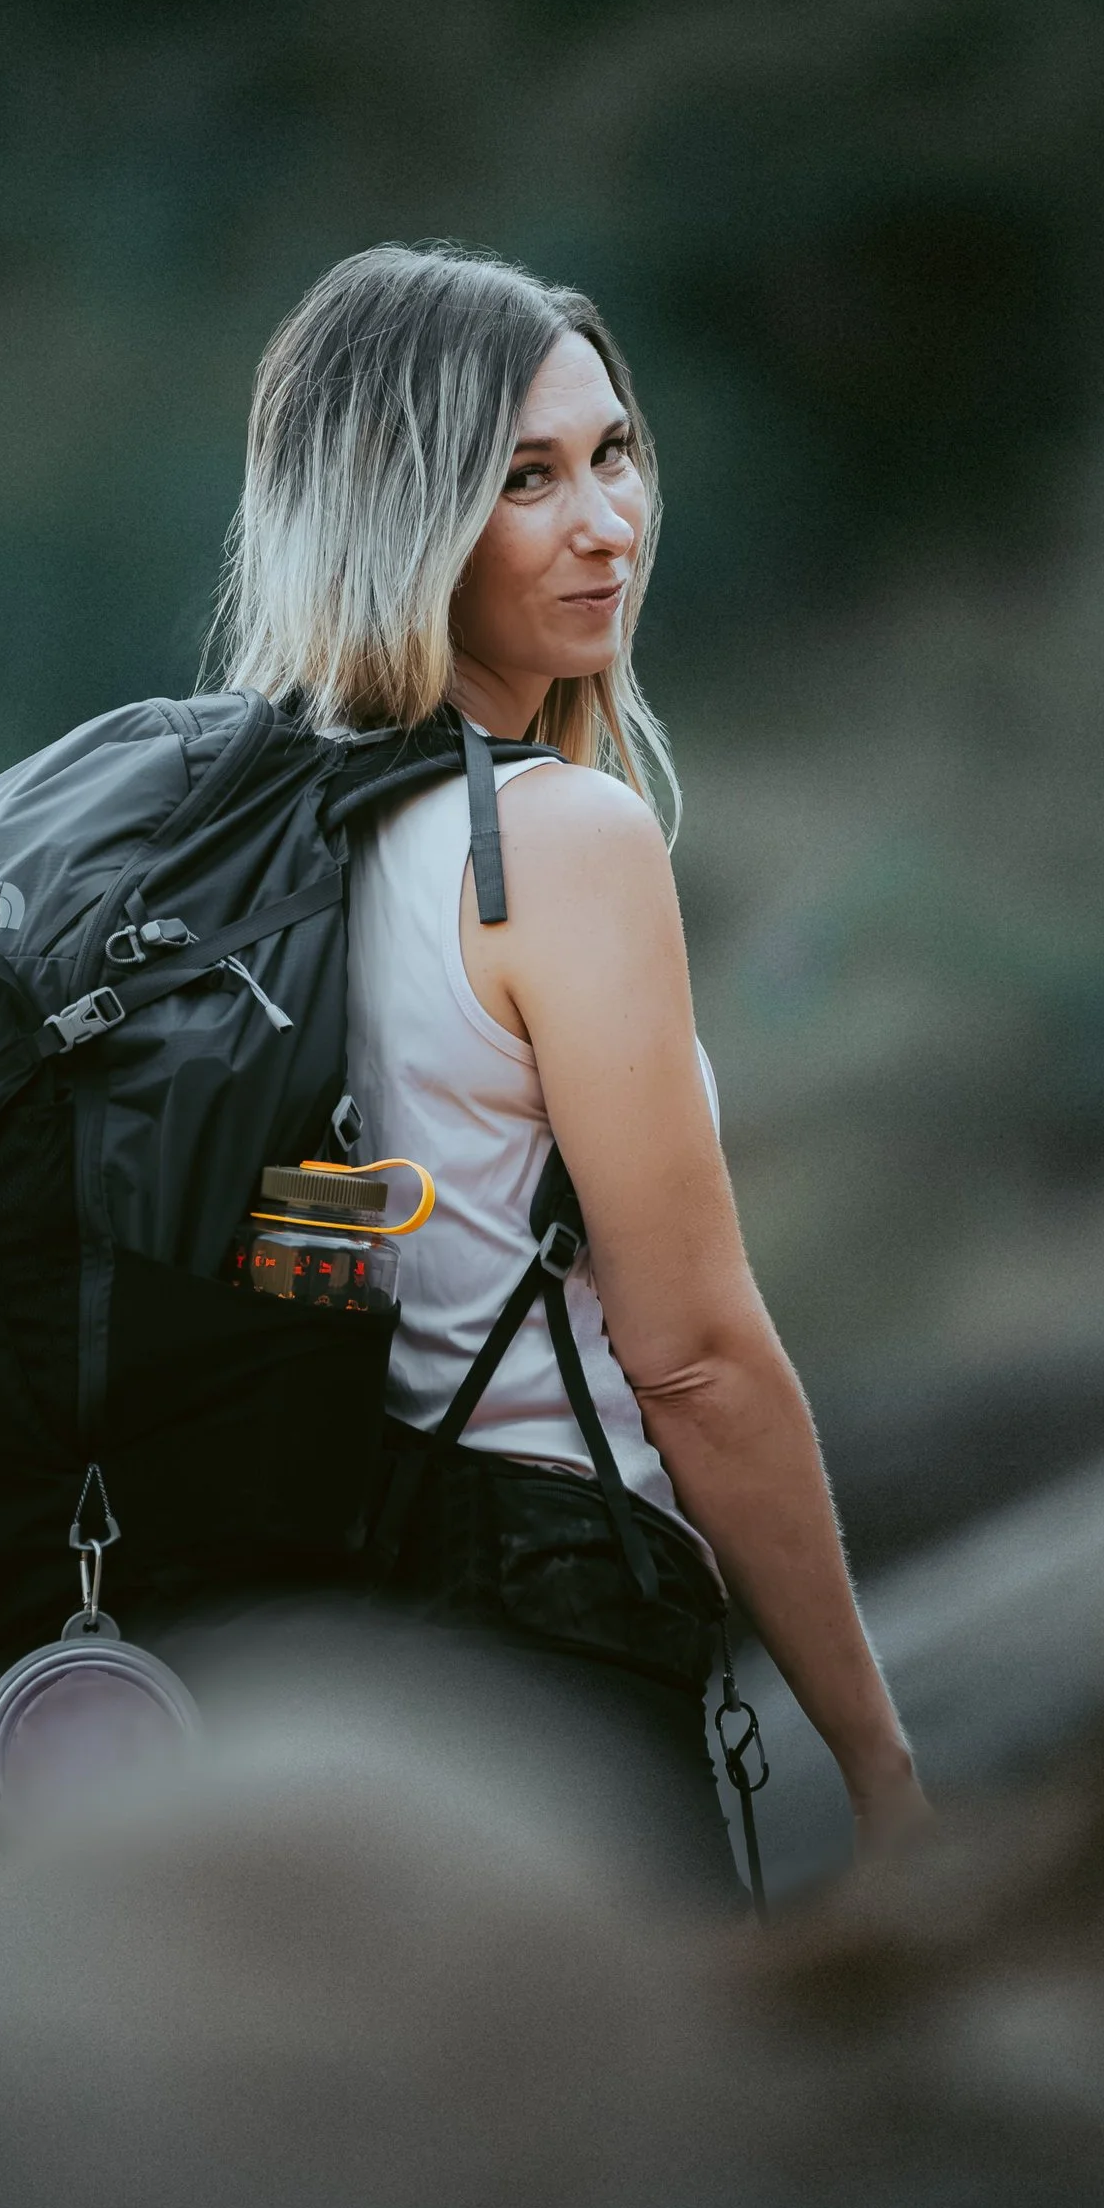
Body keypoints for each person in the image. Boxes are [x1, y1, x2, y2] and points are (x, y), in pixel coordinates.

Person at [211, 243, 929, 1894]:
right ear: (408, 516)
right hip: (542, 1607)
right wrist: (875, 1753)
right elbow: (689, 1362)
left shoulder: (242, 845)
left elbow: (313, 1245)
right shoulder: (552, 837)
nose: (607, 523)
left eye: (615, 454)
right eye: (525, 478)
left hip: (297, 1646)